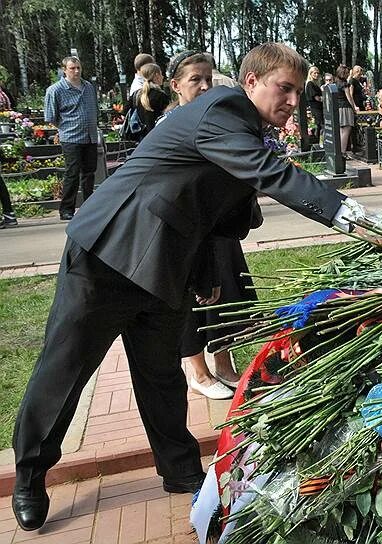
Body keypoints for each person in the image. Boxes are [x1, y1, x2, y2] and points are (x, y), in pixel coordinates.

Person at [11, 42, 360, 532]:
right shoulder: (221, 109)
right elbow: (268, 175)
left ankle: (178, 472)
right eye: (284, 88)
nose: (291, 101)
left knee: (161, 376)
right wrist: (350, 213)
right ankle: (30, 475)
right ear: (251, 82)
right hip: (108, 256)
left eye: (298, 93)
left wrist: (205, 275)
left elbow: (218, 216)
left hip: (163, 269)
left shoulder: (247, 130)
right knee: (64, 372)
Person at [163, 52, 252, 400]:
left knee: (226, 291)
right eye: (194, 80)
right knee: (192, 298)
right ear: (175, 86)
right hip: (186, 231)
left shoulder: (214, 120)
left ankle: (225, 365)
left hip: (217, 227)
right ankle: (198, 371)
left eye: (207, 79)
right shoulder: (170, 125)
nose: (203, 85)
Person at [44, 56, 99, 221]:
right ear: (64, 70)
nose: (76, 71)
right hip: (71, 137)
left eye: (78, 68)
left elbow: (94, 108)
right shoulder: (55, 90)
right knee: (72, 173)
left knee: (89, 173)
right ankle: (67, 209)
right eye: (72, 68)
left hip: (90, 136)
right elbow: (51, 116)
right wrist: (66, 127)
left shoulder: (88, 87)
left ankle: (89, 206)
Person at [123, 63, 169, 143]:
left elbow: (125, 110)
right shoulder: (161, 95)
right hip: (158, 136)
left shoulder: (136, 94)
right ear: (156, 75)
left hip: (140, 137)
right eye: (161, 74)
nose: (163, 76)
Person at [334, 64, 355, 155]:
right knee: (346, 130)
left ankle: (339, 151)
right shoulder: (344, 84)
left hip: (338, 108)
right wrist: (353, 107)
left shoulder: (336, 83)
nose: (347, 75)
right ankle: (342, 152)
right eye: (346, 73)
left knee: (341, 130)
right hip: (346, 108)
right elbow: (349, 97)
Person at [304, 65, 325, 140]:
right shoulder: (310, 84)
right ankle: (318, 141)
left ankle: (319, 141)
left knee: (319, 125)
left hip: (318, 108)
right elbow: (317, 98)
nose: (316, 75)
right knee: (320, 125)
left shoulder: (315, 84)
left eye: (317, 73)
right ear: (310, 74)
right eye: (314, 73)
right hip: (315, 108)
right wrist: (325, 99)